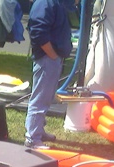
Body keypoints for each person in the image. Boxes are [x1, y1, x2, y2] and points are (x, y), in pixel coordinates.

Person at [24, 0, 78, 149]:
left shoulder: (54, 3)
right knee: (40, 98)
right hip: (47, 59)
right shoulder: (45, 3)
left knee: (46, 97)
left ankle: (38, 131)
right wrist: (53, 55)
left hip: (52, 58)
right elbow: (38, 32)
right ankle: (32, 138)